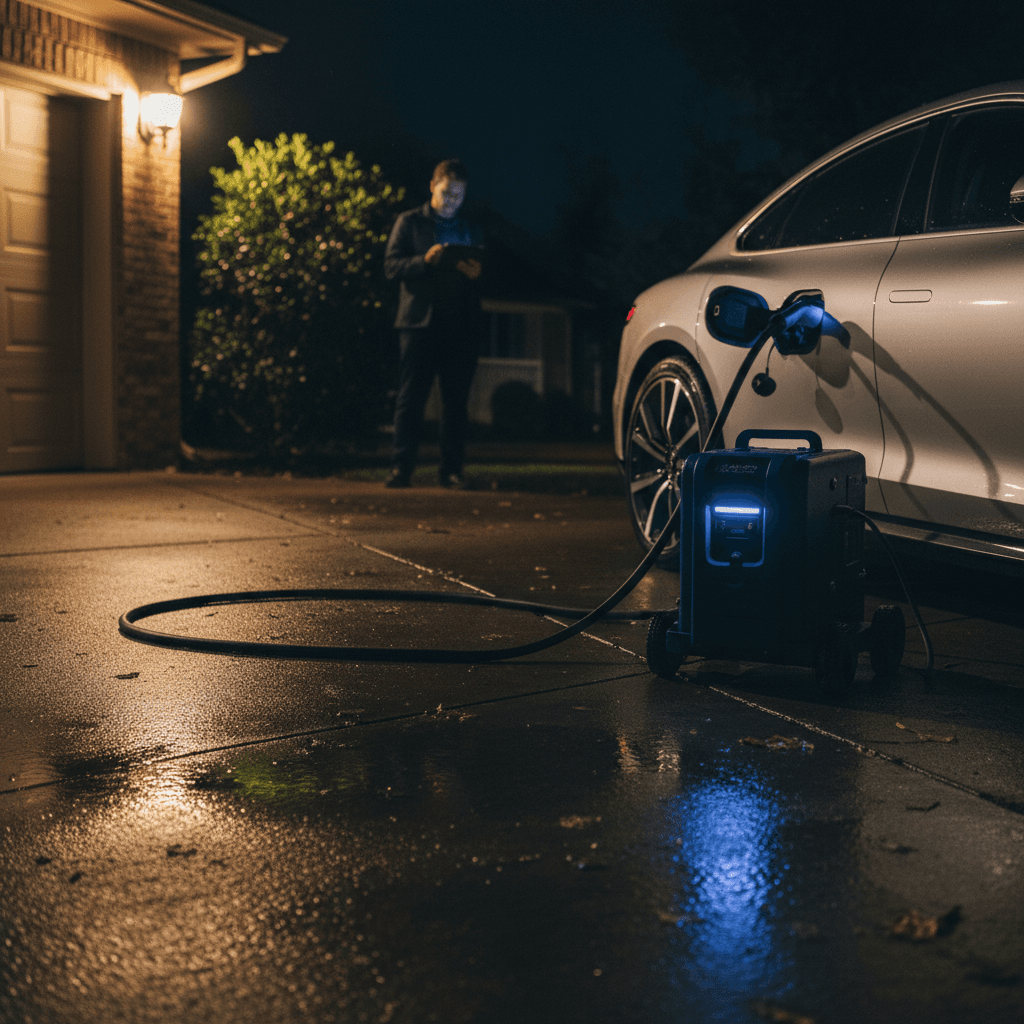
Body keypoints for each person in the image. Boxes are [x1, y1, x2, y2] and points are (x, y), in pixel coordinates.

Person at [383, 159, 484, 489]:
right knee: (411, 399)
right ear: (433, 186)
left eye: (459, 195)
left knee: (455, 404)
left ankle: (451, 471)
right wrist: (424, 261)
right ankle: (401, 468)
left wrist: (477, 274)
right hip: (419, 324)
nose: (452, 200)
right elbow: (392, 266)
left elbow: (486, 273)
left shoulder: (470, 228)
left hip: (460, 327)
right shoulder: (410, 222)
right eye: (447, 192)